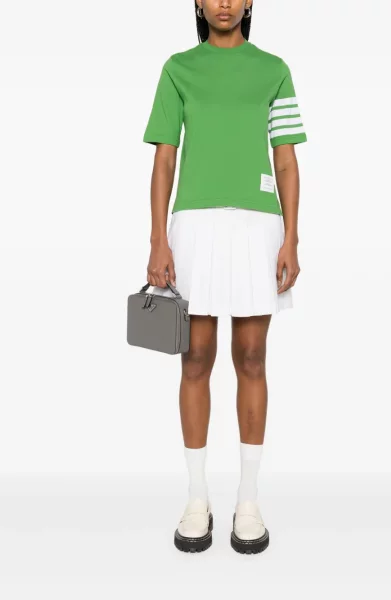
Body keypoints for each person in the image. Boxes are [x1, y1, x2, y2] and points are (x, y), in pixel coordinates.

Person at [143, 0, 307, 554]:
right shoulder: (178, 68)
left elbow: (285, 159)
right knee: (195, 358)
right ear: (197, 2)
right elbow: (165, 159)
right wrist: (158, 238)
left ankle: (248, 500)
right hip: (193, 227)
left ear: (250, 2)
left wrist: (291, 237)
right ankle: (197, 498)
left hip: (259, 227)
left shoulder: (274, 70)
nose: (224, 2)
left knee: (253, 357)